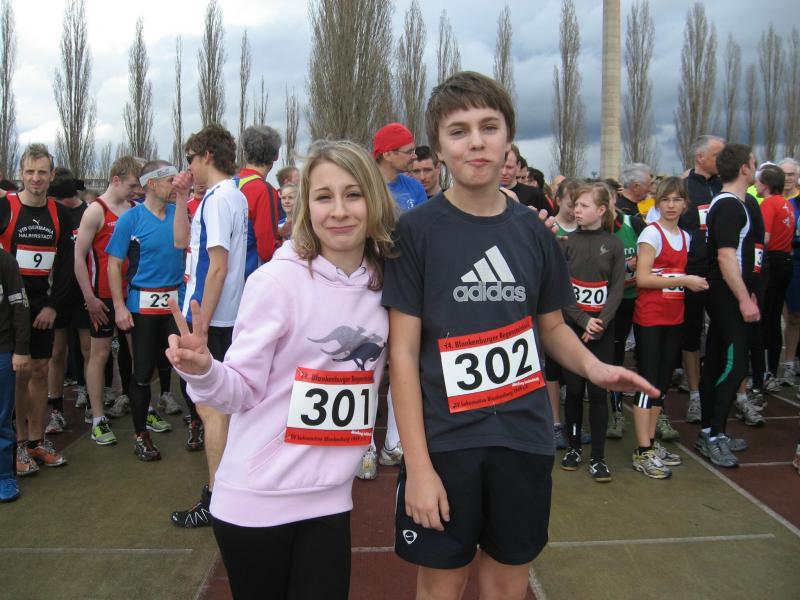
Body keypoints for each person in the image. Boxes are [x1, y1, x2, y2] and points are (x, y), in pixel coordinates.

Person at [383, 71, 656, 599]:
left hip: (522, 438)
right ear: (438, 145)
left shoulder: (534, 231)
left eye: (489, 127)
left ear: (508, 138)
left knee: (508, 583)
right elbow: (403, 352)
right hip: (446, 442)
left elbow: (550, 326)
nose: (476, 142)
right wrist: (417, 465)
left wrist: (594, 367)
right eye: (458, 131)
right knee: (441, 584)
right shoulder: (416, 232)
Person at [166, 140, 396, 599]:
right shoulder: (275, 281)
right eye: (324, 196)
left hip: (330, 498)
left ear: (373, 200)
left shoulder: (388, 282)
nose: (339, 210)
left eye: (353, 194)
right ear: (306, 206)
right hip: (257, 499)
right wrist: (203, 370)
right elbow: (239, 390)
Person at [170, 124, 248, 528]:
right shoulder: (228, 196)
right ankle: (227, 492)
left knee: (211, 408)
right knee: (217, 407)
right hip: (220, 315)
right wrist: (182, 198)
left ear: (207, 156)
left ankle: (218, 500)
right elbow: (183, 244)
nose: (189, 167)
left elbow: (217, 267)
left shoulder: (219, 199)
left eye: (191, 159)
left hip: (212, 317)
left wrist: (200, 328)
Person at [107, 160, 187, 461]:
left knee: (186, 366)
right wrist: (118, 306)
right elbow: (114, 263)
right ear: (151, 184)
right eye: (169, 180)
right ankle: (141, 435)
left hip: (175, 303)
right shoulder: (131, 218)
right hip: (142, 305)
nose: (175, 185)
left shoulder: (179, 213)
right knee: (142, 371)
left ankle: (196, 423)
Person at [0, 144, 72, 472]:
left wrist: (54, 306)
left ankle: (36, 440)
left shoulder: (59, 213)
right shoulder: (6, 207)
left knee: (41, 370)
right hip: (10, 309)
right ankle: (16, 446)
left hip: (42, 307)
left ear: (52, 175)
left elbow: (67, 266)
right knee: (20, 373)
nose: (35, 178)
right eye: (30, 171)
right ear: (21, 173)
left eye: (42, 172)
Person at [631, 177, 708, 478]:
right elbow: (643, 278)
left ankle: (650, 443)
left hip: (674, 317)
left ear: (686, 204)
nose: (671, 205)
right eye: (666, 200)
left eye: (677, 200)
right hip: (650, 317)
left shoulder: (686, 237)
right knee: (648, 382)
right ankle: (642, 450)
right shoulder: (652, 233)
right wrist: (685, 280)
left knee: (661, 384)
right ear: (657, 203)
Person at [697, 143, 760, 468]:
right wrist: (743, 299)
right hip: (726, 294)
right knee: (735, 365)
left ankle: (712, 430)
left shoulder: (735, 204)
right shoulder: (730, 206)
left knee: (717, 361)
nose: (756, 167)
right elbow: (725, 257)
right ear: (744, 169)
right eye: (753, 162)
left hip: (729, 292)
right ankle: (713, 435)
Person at [559, 183, 625, 481]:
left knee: (598, 393)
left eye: (584, 206)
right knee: (573, 390)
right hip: (573, 329)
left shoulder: (613, 244)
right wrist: (583, 320)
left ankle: (598, 457)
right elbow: (561, 289)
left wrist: (600, 323)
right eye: (575, 205)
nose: (577, 210)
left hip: (602, 331)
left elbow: (617, 289)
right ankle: (574, 448)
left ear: (601, 210)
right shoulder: (566, 243)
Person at [74, 156, 142, 445]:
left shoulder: (135, 209)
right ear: (116, 180)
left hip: (132, 294)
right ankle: (98, 418)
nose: (136, 191)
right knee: (99, 355)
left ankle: (143, 407)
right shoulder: (95, 210)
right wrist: (89, 297)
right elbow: (78, 257)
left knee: (139, 353)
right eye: (132, 185)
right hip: (101, 297)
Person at [680, 135, 725, 424]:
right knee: (691, 333)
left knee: (725, 332)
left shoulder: (725, 187)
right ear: (701, 157)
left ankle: (731, 393)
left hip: (722, 272)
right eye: (718, 154)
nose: (723, 160)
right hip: (692, 271)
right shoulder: (683, 188)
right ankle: (694, 395)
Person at [45, 168, 90, 436]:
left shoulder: (88, 212)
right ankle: (56, 409)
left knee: (87, 349)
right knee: (56, 352)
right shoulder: (52, 213)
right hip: (59, 293)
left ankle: (89, 397)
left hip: (84, 292)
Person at [756, 164, 792, 395]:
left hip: (772, 262)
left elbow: (765, 237)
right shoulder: (786, 203)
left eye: (759, 181)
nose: (756, 185)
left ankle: (765, 373)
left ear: (766, 184)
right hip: (785, 261)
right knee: (774, 317)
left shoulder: (768, 204)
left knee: (765, 318)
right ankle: (771, 371)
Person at [0, 247, 30, 501]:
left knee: (1, 418)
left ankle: (4, 476)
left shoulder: (5, 261)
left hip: (2, 350)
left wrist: (21, 349)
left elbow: (20, 306)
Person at [237, 125, 281, 278]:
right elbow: (267, 250)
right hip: (250, 276)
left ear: (245, 152)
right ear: (276, 156)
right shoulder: (264, 190)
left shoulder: (231, 183)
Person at [374, 122, 427, 212]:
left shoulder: (415, 187)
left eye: (413, 151)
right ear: (387, 155)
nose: (415, 156)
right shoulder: (365, 188)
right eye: (409, 152)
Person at [779, 158, 800, 385]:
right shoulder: (770, 200)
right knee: (787, 316)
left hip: (796, 262)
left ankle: (791, 362)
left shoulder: (798, 202)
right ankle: (785, 364)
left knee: (795, 317)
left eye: (791, 174)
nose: (787, 178)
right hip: (779, 264)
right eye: (783, 174)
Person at [499, 144, 552, 214]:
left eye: (509, 167)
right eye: (500, 166)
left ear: (518, 166)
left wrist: (535, 217)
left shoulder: (536, 195)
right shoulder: (486, 195)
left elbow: (552, 219)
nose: (504, 172)